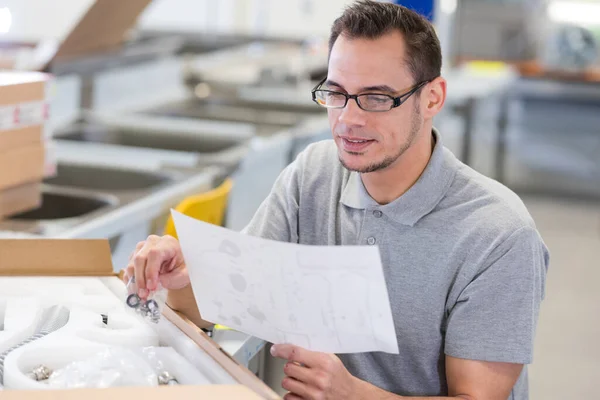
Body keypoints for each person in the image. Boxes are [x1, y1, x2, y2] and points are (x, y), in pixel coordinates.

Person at [124, 1, 549, 399]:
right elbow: (221, 307)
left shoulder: (498, 234)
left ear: (433, 97)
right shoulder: (314, 175)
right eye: (336, 93)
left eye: (378, 98)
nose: (348, 119)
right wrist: (181, 277)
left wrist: (350, 393)